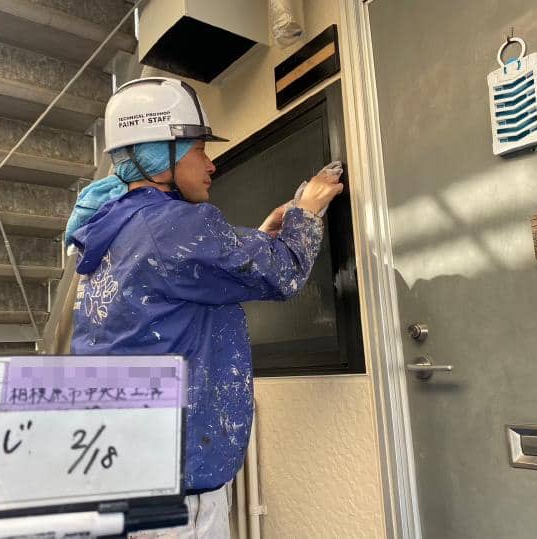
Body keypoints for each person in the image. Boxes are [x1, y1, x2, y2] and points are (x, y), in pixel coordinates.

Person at [66, 77, 343, 538]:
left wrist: (260, 236)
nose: (211, 164)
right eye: (199, 149)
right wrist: (307, 212)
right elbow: (283, 274)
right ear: (160, 153)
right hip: (175, 487)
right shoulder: (173, 226)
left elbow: (184, 281)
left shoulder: (113, 228)